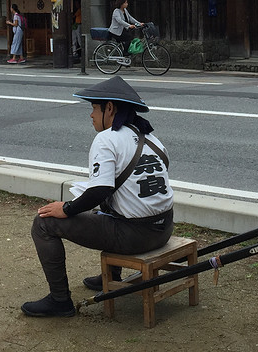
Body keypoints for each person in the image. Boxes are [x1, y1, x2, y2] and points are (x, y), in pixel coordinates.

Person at [22, 77, 173, 318]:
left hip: (134, 237)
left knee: (43, 222)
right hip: (164, 229)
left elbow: (100, 189)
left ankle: (60, 300)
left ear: (110, 108)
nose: (91, 115)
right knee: (110, 204)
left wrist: (68, 208)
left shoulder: (107, 138)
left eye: (94, 108)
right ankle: (111, 275)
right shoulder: (153, 139)